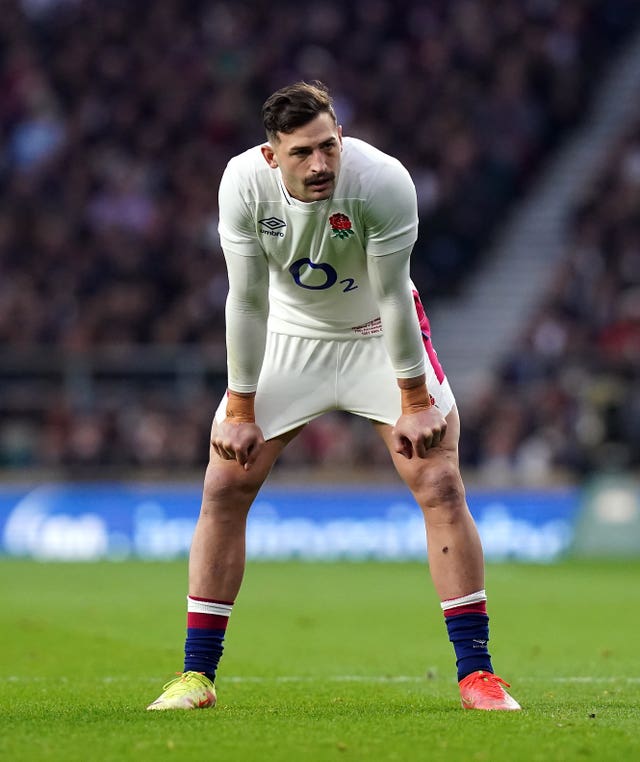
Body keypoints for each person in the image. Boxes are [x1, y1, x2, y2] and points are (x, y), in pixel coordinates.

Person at [147, 81, 520, 712]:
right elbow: (246, 300)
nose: (320, 164)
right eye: (301, 153)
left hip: (376, 332)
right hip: (289, 338)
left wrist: (413, 398)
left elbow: (394, 293)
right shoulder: (241, 183)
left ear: (340, 135)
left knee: (440, 482)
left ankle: (477, 675)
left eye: (328, 146)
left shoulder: (382, 181)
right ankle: (195, 676)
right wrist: (239, 408)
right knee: (223, 485)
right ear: (272, 156)